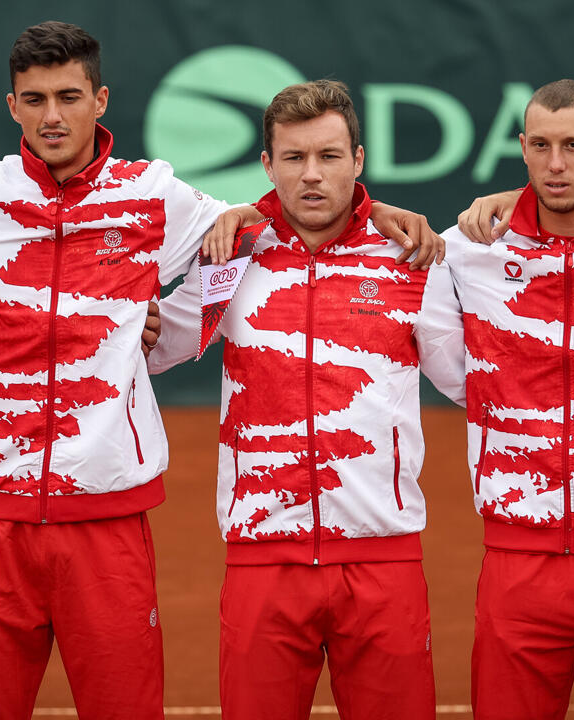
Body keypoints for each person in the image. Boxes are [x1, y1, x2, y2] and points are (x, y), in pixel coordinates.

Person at [0, 21, 446, 720]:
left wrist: (373, 209)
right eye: (36, 98)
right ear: (13, 104)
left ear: (101, 99)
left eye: (70, 96)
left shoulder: (156, 197)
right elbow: (224, 266)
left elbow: (257, 217)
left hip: (114, 507)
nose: (54, 115)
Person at [149, 80, 466, 720]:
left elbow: (469, 381)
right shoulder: (231, 255)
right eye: (294, 159)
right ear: (267, 164)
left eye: (329, 156)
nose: (312, 176)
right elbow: (155, 346)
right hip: (262, 561)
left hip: (383, 560)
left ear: (359, 160)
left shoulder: (411, 257)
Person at [443, 79, 574, 719]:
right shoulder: (467, 251)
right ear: (522, 148)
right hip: (517, 559)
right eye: (541, 145)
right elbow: (359, 236)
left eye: (573, 145)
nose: (556, 164)